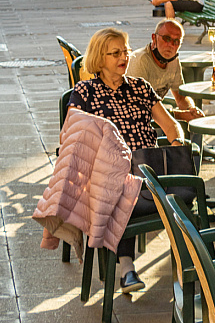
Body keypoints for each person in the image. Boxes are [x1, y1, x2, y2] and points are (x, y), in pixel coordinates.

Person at [68, 27, 185, 293]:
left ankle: (188, 265)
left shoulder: (141, 87)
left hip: (150, 169)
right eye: (116, 53)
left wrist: (176, 143)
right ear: (99, 58)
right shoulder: (85, 92)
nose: (124, 57)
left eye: (126, 51)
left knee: (187, 190)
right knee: (122, 192)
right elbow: (72, 135)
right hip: (111, 174)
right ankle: (127, 268)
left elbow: (170, 125)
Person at [127, 19, 204, 122]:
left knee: (196, 121)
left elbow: (181, 98)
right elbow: (142, 108)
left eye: (176, 41)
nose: (171, 45)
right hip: (131, 119)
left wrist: (191, 109)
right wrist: (180, 115)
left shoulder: (173, 61)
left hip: (154, 116)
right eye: (166, 38)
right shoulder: (141, 61)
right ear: (154, 38)